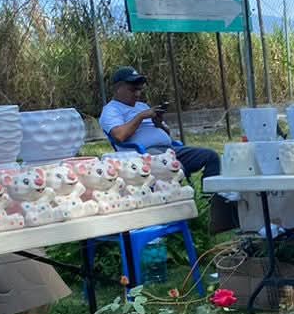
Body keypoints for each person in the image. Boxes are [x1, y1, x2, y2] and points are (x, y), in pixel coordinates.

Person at [99, 66, 234, 230]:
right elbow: (119, 136)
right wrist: (141, 117)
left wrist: (158, 123)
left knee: (210, 156)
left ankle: (210, 206)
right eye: (133, 90)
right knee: (176, 168)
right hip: (145, 155)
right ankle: (187, 214)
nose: (137, 94)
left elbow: (166, 133)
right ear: (118, 88)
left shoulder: (142, 106)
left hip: (169, 149)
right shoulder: (111, 110)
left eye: (140, 90)